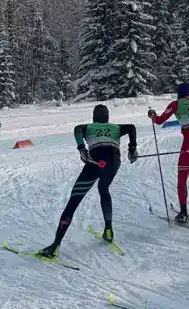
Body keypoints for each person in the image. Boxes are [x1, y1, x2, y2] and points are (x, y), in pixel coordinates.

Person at [39, 104, 138, 257]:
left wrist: (81, 148)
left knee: (73, 202)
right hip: (113, 162)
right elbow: (132, 127)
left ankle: (55, 246)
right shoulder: (116, 127)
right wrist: (132, 149)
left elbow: (77, 129)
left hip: (96, 161)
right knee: (104, 189)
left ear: (94, 117)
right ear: (107, 118)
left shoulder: (88, 127)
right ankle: (108, 230)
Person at [148, 83, 189, 223]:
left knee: (182, 176)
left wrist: (152, 115)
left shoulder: (176, 104)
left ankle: (183, 213)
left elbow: (159, 120)